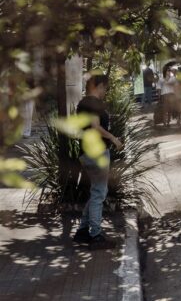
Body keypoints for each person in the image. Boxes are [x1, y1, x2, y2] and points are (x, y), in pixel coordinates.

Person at [71, 74, 124, 250]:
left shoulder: (83, 104)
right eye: (104, 88)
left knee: (96, 191)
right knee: (99, 193)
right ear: (98, 86)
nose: (105, 92)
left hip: (86, 153)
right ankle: (96, 235)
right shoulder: (93, 104)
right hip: (97, 153)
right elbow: (96, 127)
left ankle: (83, 231)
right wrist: (114, 139)